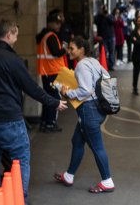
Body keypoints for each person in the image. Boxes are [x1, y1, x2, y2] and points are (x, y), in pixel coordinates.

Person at [0, 19, 67, 203]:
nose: (17, 39)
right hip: (9, 118)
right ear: (9, 35)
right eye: (16, 34)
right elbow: (31, 88)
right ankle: (20, 198)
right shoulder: (12, 60)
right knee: (21, 159)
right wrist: (54, 102)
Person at [55, 36, 115, 193]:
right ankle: (69, 175)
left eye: (72, 48)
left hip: (89, 112)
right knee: (77, 141)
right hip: (98, 109)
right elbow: (107, 77)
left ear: (81, 49)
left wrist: (68, 93)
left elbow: (86, 90)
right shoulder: (94, 61)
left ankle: (107, 181)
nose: (68, 51)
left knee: (97, 147)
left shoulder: (81, 65)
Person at [36, 11, 67, 133]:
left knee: (47, 97)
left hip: (46, 71)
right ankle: (50, 123)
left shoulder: (44, 36)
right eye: (56, 23)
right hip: (52, 71)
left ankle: (44, 122)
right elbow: (55, 53)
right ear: (50, 23)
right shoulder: (51, 36)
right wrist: (65, 49)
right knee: (54, 98)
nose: (58, 25)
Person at [94, 5, 115, 71]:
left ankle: (110, 66)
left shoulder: (109, 16)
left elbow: (113, 22)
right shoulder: (99, 17)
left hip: (110, 36)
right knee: (104, 51)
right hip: (103, 37)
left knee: (111, 51)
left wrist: (106, 16)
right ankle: (104, 65)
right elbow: (95, 21)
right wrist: (100, 14)